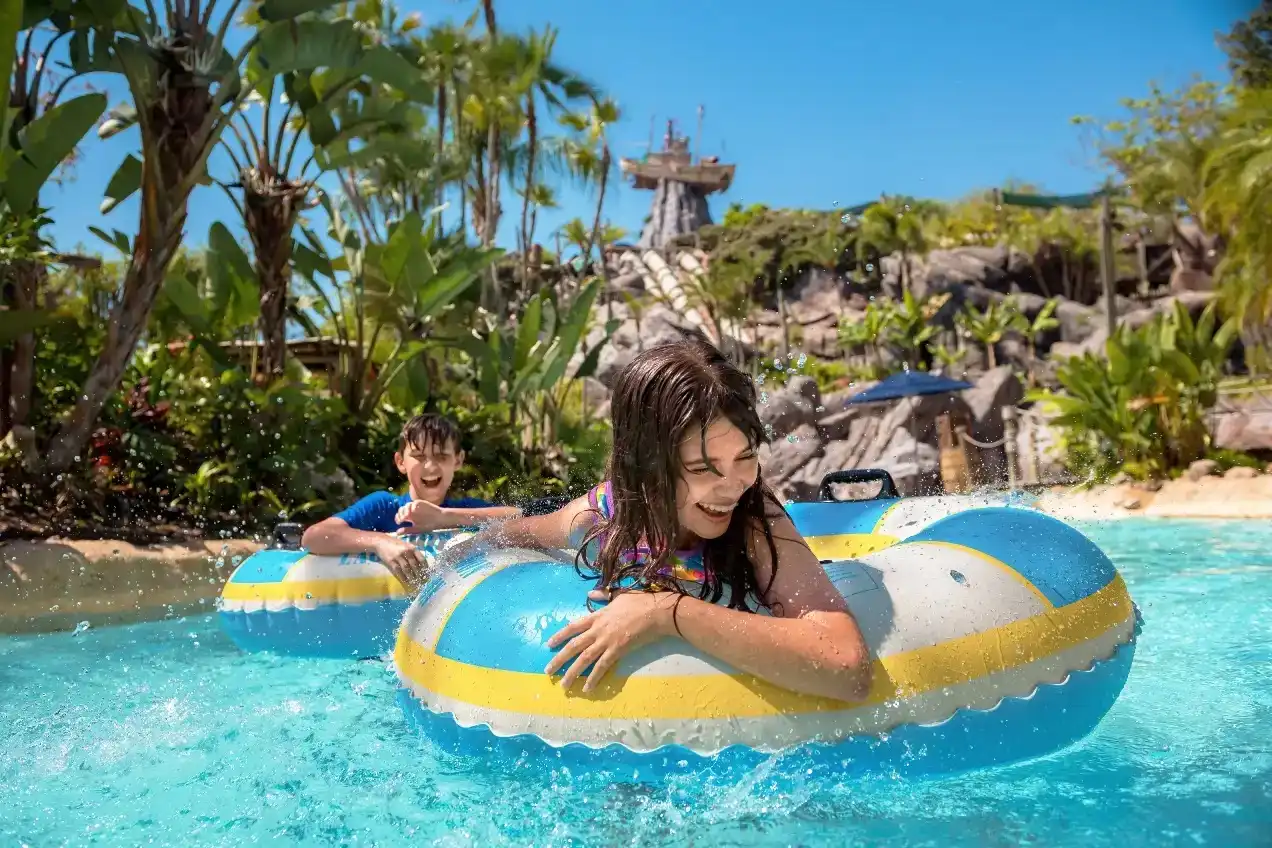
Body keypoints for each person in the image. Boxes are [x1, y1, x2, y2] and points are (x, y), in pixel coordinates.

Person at [457, 332, 872, 703]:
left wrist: (667, 612)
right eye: (702, 468)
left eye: (745, 457)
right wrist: (462, 550)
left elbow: (847, 667)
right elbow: (525, 532)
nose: (732, 486)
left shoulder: (756, 520)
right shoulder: (604, 515)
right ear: (648, 467)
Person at [301, 413, 520, 585]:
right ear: (400, 462)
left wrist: (443, 517)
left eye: (441, 456)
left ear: (458, 460)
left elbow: (519, 518)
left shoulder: (463, 510)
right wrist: (381, 542)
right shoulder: (385, 507)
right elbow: (313, 537)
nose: (430, 466)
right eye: (418, 457)